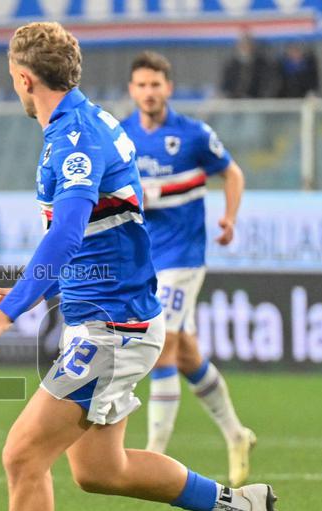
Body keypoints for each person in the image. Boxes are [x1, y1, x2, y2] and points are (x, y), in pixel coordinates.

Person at [0, 22, 279, 511]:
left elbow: (66, 233)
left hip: (112, 329)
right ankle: (241, 505)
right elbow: (84, 238)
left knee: (21, 454)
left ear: (23, 79)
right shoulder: (84, 120)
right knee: (100, 470)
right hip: (107, 320)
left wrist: (12, 306)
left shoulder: (74, 137)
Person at [121, 52, 256, 486]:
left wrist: (230, 218)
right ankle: (237, 434)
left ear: (169, 88)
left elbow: (233, 174)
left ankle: (152, 456)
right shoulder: (122, 137)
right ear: (132, 90)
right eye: (141, 85)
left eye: (156, 84)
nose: (149, 92)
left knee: (162, 344)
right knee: (186, 353)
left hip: (184, 258)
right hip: (145, 260)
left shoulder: (193, 135)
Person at [220, 32, 277, 99]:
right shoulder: (231, 65)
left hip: (256, 103)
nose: (245, 48)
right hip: (234, 104)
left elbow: (269, 85)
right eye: (242, 45)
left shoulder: (263, 64)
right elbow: (225, 86)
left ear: (253, 46)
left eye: (248, 45)